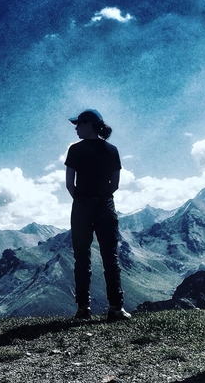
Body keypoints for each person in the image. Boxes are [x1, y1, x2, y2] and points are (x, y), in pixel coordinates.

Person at [65, 109, 130, 322]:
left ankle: (83, 309)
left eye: (79, 124)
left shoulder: (75, 150)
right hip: (105, 206)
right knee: (110, 256)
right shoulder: (112, 150)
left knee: (81, 257)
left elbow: (69, 184)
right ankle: (116, 308)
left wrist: (83, 198)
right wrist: (101, 196)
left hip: (82, 207)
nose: (76, 128)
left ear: (89, 125)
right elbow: (116, 184)